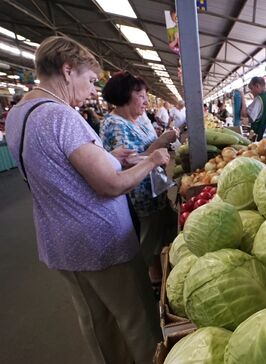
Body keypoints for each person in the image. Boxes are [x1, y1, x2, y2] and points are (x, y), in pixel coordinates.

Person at [5, 36, 164, 364]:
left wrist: (108, 156)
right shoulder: (60, 116)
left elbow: (58, 166)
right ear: (67, 70)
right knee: (137, 318)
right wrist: (152, 161)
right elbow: (110, 185)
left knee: (96, 321)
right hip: (99, 240)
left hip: (59, 240)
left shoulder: (21, 112)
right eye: (90, 80)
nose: (94, 90)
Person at [100, 71, 179, 286]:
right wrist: (163, 140)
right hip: (139, 194)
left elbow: (148, 148)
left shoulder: (140, 118)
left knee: (162, 230)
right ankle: (149, 280)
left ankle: (159, 271)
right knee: (148, 237)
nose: (146, 101)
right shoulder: (115, 124)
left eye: (146, 95)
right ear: (124, 95)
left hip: (156, 187)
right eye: (140, 95)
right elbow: (130, 161)